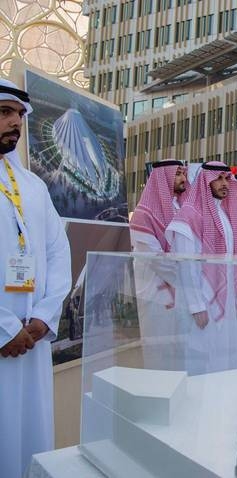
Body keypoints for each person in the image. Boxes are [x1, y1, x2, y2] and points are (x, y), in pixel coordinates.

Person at [0, 79, 72, 478]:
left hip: (32, 340)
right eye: (4, 113)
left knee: (30, 440)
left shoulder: (33, 185)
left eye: (19, 115)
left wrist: (44, 316)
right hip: (6, 336)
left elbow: (57, 252)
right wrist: (5, 327)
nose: (15, 123)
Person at [166, 161, 237, 374]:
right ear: (206, 181)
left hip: (227, 298)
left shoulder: (226, 215)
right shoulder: (190, 215)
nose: (224, 183)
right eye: (218, 178)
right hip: (204, 301)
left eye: (227, 178)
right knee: (202, 358)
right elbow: (186, 264)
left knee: (227, 355)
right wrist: (196, 306)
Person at [129, 159, 188, 369]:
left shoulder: (181, 208)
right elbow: (156, 260)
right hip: (155, 296)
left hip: (181, 295)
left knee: (180, 355)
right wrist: (190, 275)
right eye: (178, 174)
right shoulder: (143, 215)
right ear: (163, 178)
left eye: (184, 173)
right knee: (159, 354)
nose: (183, 178)